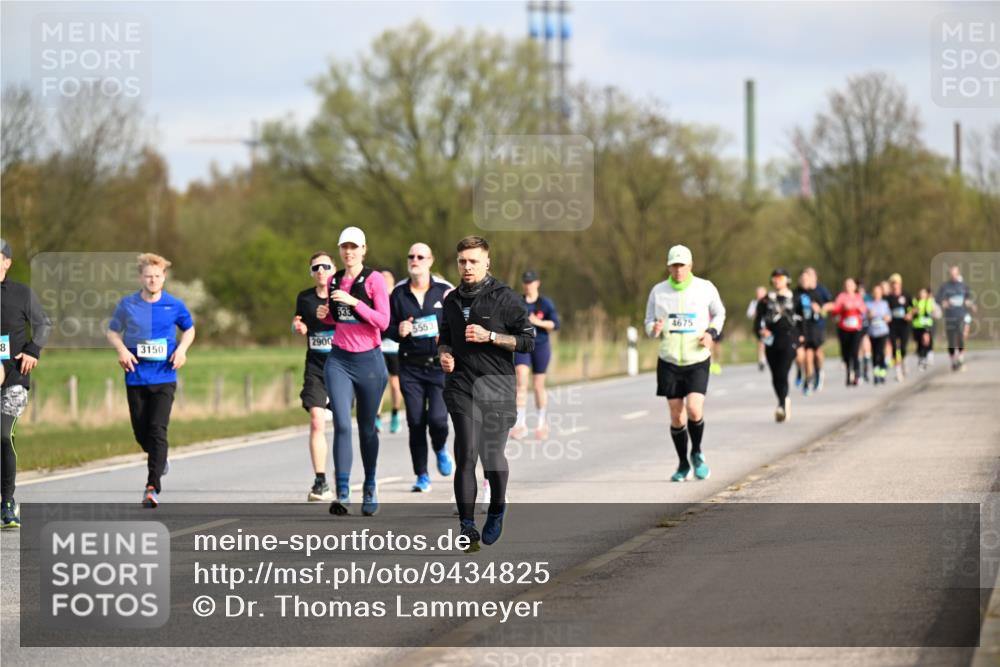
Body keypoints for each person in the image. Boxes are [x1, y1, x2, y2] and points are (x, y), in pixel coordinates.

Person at [439, 236, 534, 550]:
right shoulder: (451, 300)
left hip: (496, 385)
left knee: (491, 456)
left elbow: (528, 340)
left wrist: (490, 335)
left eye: (473, 261)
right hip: (462, 384)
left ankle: (496, 508)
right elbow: (445, 338)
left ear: (487, 262)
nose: (467, 267)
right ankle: (466, 527)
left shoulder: (505, 298)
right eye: (463, 261)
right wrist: (444, 354)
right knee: (466, 452)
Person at [107, 253, 195, 508]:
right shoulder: (128, 304)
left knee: (158, 429)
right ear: (140, 277)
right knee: (141, 432)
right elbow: (112, 331)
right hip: (135, 376)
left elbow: (189, 329)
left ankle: (152, 486)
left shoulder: (174, 305)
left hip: (165, 376)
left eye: (157, 276)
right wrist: (122, 350)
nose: (153, 280)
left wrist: (182, 350)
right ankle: (160, 456)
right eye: (148, 276)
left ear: (164, 277)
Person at [317, 226, 391, 517]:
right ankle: (343, 491)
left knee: (367, 428)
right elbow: (338, 319)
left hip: (369, 362)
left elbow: (383, 322)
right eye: (344, 247)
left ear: (363, 250)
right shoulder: (334, 280)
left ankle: (370, 485)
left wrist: (354, 302)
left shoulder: (374, 281)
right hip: (339, 360)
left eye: (354, 247)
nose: (349, 252)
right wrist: (327, 316)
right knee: (342, 425)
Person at [644, 244, 726, 482]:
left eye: (682, 265)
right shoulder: (658, 292)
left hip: (697, 358)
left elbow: (720, 313)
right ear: (668, 266)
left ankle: (697, 453)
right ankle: (682, 463)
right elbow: (648, 322)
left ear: (690, 265)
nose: (678, 270)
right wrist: (653, 328)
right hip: (669, 360)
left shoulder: (705, 288)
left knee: (694, 409)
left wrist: (711, 332)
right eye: (674, 265)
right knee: (677, 416)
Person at [387, 243, 455, 493]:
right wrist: (399, 331)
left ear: (430, 260)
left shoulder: (445, 290)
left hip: (439, 367)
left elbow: (461, 321)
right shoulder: (398, 293)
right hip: (410, 367)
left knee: (437, 419)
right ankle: (422, 475)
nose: (414, 260)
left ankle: (439, 448)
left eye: (420, 256)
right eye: (411, 256)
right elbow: (386, 326)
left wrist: (447, 338)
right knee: (415, 421)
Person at [1, 239, 52, 528]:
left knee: (2, 435)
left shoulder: (22, 293)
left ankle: (7, 503)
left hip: (14, 376)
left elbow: (44, 324)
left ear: (7, 262)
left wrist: (33, 350)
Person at [292, 252, 337, 501]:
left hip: (342, 366)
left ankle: (343, 476)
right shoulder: (305, 298)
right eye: (315, 267)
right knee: (316, 421)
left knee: (341, 425)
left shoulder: (341, 296)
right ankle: (320, 481)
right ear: (311, 272)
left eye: (325, 266)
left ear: (333, 269)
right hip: (316, 367)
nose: (321, 270)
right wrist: (299, 328)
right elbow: (299, 323)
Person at [512, 270, 560, 440]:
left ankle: (541, 423)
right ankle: (520, 424)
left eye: (531, 282)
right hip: (523, 346)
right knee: (520, 380)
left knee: (538, 385)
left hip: (540, 345)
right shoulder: (517, 301)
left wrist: (537, 322)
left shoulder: (545, 303)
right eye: (525, 282)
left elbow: (555, 324)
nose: (528, 285)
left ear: (537, 283)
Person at [755, 269, 801, 422]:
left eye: (780, 278)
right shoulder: (766, 300)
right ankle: (783, 399)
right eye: (774, 278)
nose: (776, 281)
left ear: (787, 280)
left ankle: (781, 405)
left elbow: (803, 320)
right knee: (775, 376)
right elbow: (757, 322)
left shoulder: (796, 298)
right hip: (771, 341)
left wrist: (801, 337)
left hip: (789, 339)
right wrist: (761, 332)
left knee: (783, 372)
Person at [822, 277, 866, 386]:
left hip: (856, 328)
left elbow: (864, 310)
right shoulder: (841, 297)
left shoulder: (858, 297)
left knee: (854, 351)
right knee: (846, 352)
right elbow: (835, 310)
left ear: (855, 287)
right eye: (846, 285)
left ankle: (856, 373)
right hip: (844, 328)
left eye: (850, 285)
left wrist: (858, 308)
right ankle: (848, 373)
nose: (848, 287)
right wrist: (843, 308)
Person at [376, 269, 404, 433]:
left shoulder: (397, 297)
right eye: (382, 278)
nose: (385, 281)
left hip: (394, 348)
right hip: (378, 346)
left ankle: (394, 413)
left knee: (395, 384)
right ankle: (376, 417)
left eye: (388, 278)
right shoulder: (375, 297)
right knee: (379, 384)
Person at [936, 265, 976, 371]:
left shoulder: (963, 286)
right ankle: (953, 361)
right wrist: (943, 302)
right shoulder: (945, 286)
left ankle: (961, 358)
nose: (953, 275)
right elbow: (938, 299)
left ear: (958, 273)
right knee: (951, 341)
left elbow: (969, 298)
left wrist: (971, 304)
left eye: (955, 273)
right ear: (950, 274)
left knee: (961, 337)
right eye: (951, 273)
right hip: (950, 317)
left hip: (961, 315)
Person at [793, 270, 826, 395]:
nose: (804, 281)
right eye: (802, 279)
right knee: (799, 356)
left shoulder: (816, 294)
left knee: (810, 357)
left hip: (812, 329)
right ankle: (800, 372)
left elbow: (823, 312)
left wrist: (818, 309)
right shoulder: (794, 294)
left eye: (806, 279)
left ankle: (809, 380)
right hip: (799, 328)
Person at [804, 267, 832, 390]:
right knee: (808, 354)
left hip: (818, 325)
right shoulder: (802, 292)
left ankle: (819, 371)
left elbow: (832, 305)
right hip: (806, 327)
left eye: (810, 275)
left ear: (815, 276)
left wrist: (820, 310)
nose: (808, 277)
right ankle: (810, 378)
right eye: (806, 275)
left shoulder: (821, 290)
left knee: (818, 352)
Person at [886, 273, 913, 381]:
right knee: (894, 348)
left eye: (896, 283)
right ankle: (898, 371)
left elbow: (915, 307)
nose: (894, 285)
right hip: (892, 325)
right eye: (892, 283)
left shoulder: (906, 295)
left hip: (904, 325)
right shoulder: (887, 298)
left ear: (900, 284)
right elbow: (884, 310)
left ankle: (904, 362)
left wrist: (910, 314)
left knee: (902, 348)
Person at [867, 283, 892, 385]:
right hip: (873, 331)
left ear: (881, 293)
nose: (877, 294)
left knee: (880, 351)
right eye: (875, 292)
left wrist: (887, 318)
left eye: (878, 292)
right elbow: (864, 318)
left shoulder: (885, 304)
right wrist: (869, 315)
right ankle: (876, 373)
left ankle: (882, 372)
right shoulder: (868, 304)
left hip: (883, 331)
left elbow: (889, 316)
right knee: (874, 352)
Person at [911, 287, 938, 371]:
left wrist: (933, 311)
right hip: (917, 325)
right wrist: (914, 311)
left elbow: (936, 311)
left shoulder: (930, 302)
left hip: (926, 325)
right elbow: (910, 312)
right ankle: (921, 358)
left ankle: (927, 355)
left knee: (926, 340)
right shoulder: (914, 302)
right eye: (920, 293)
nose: (922, 295)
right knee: (919, 343)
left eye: (924, 293)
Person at [747, 286, 767, 372]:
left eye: (761, 293)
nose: (759, 295)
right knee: (761, 343)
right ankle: (761, 360)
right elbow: (749, 314)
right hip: (759, 326)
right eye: (758, 293)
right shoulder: (754, 303)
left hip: (769, 326)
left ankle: (766, 358)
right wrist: (755, 313)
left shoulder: (769, 302)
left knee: (768, 343)